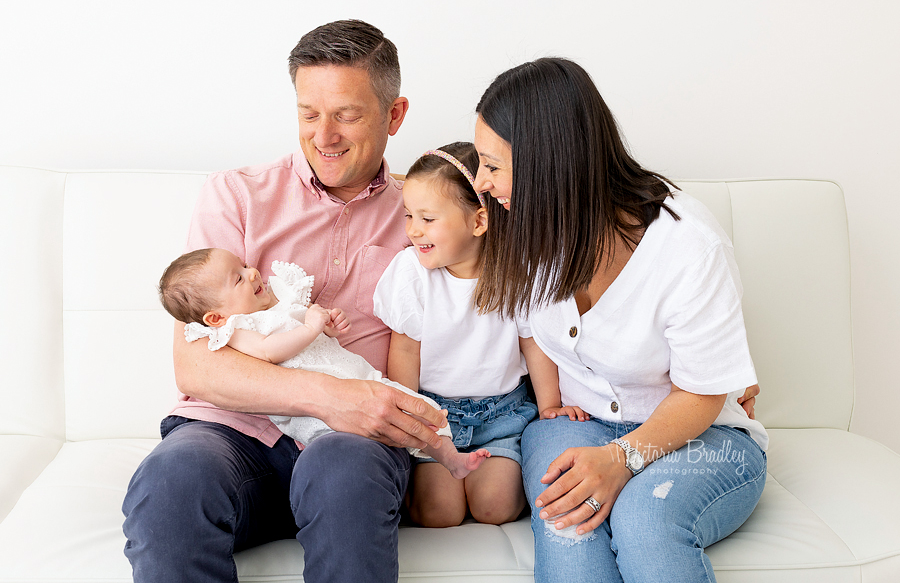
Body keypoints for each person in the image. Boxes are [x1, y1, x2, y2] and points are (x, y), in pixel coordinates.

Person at [121, 20, 447, 583]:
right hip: (232, 433)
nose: (324, 135)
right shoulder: (237, 194)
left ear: (394, 116)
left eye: (346, 114)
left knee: (344, 473)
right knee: (170, 483)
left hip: (352, 445)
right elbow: (196, 362)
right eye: (308, 114)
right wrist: (328, 395)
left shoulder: (428, 216)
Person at [471, 57, 768, 583]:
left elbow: (703, 392)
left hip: (702, 438)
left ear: (549, 163)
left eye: (492, 165)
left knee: (647, 520)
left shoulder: (688, 246)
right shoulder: (531, 222)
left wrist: (622, 458)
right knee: (570, 527)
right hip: (576, 425)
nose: (481, 182)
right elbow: (429, 194)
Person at [373, 142, 586, 528]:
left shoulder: (516, 272)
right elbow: (404, 351)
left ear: (478, 221)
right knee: (439, 514)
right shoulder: (411, 273)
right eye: (408, 216)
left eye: (428, 219)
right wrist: (410, 427)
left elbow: (533, 344)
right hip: (436, 420)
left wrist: (549, 406)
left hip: (502, 415)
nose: (413, 230)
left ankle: (494, 475)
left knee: (495, 507)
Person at [157, 247, 489, 478]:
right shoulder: (238, 330)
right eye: (239, 279)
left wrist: (328, 328)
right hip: (312, 412)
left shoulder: (277, 304)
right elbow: (273, 351)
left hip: (356, 378)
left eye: (244, 265)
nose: (252, 272)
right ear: (216, 317)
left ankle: (450, 459)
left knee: (417, 410)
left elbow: (320, 346)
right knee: (365, 440)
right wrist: (311, 327)